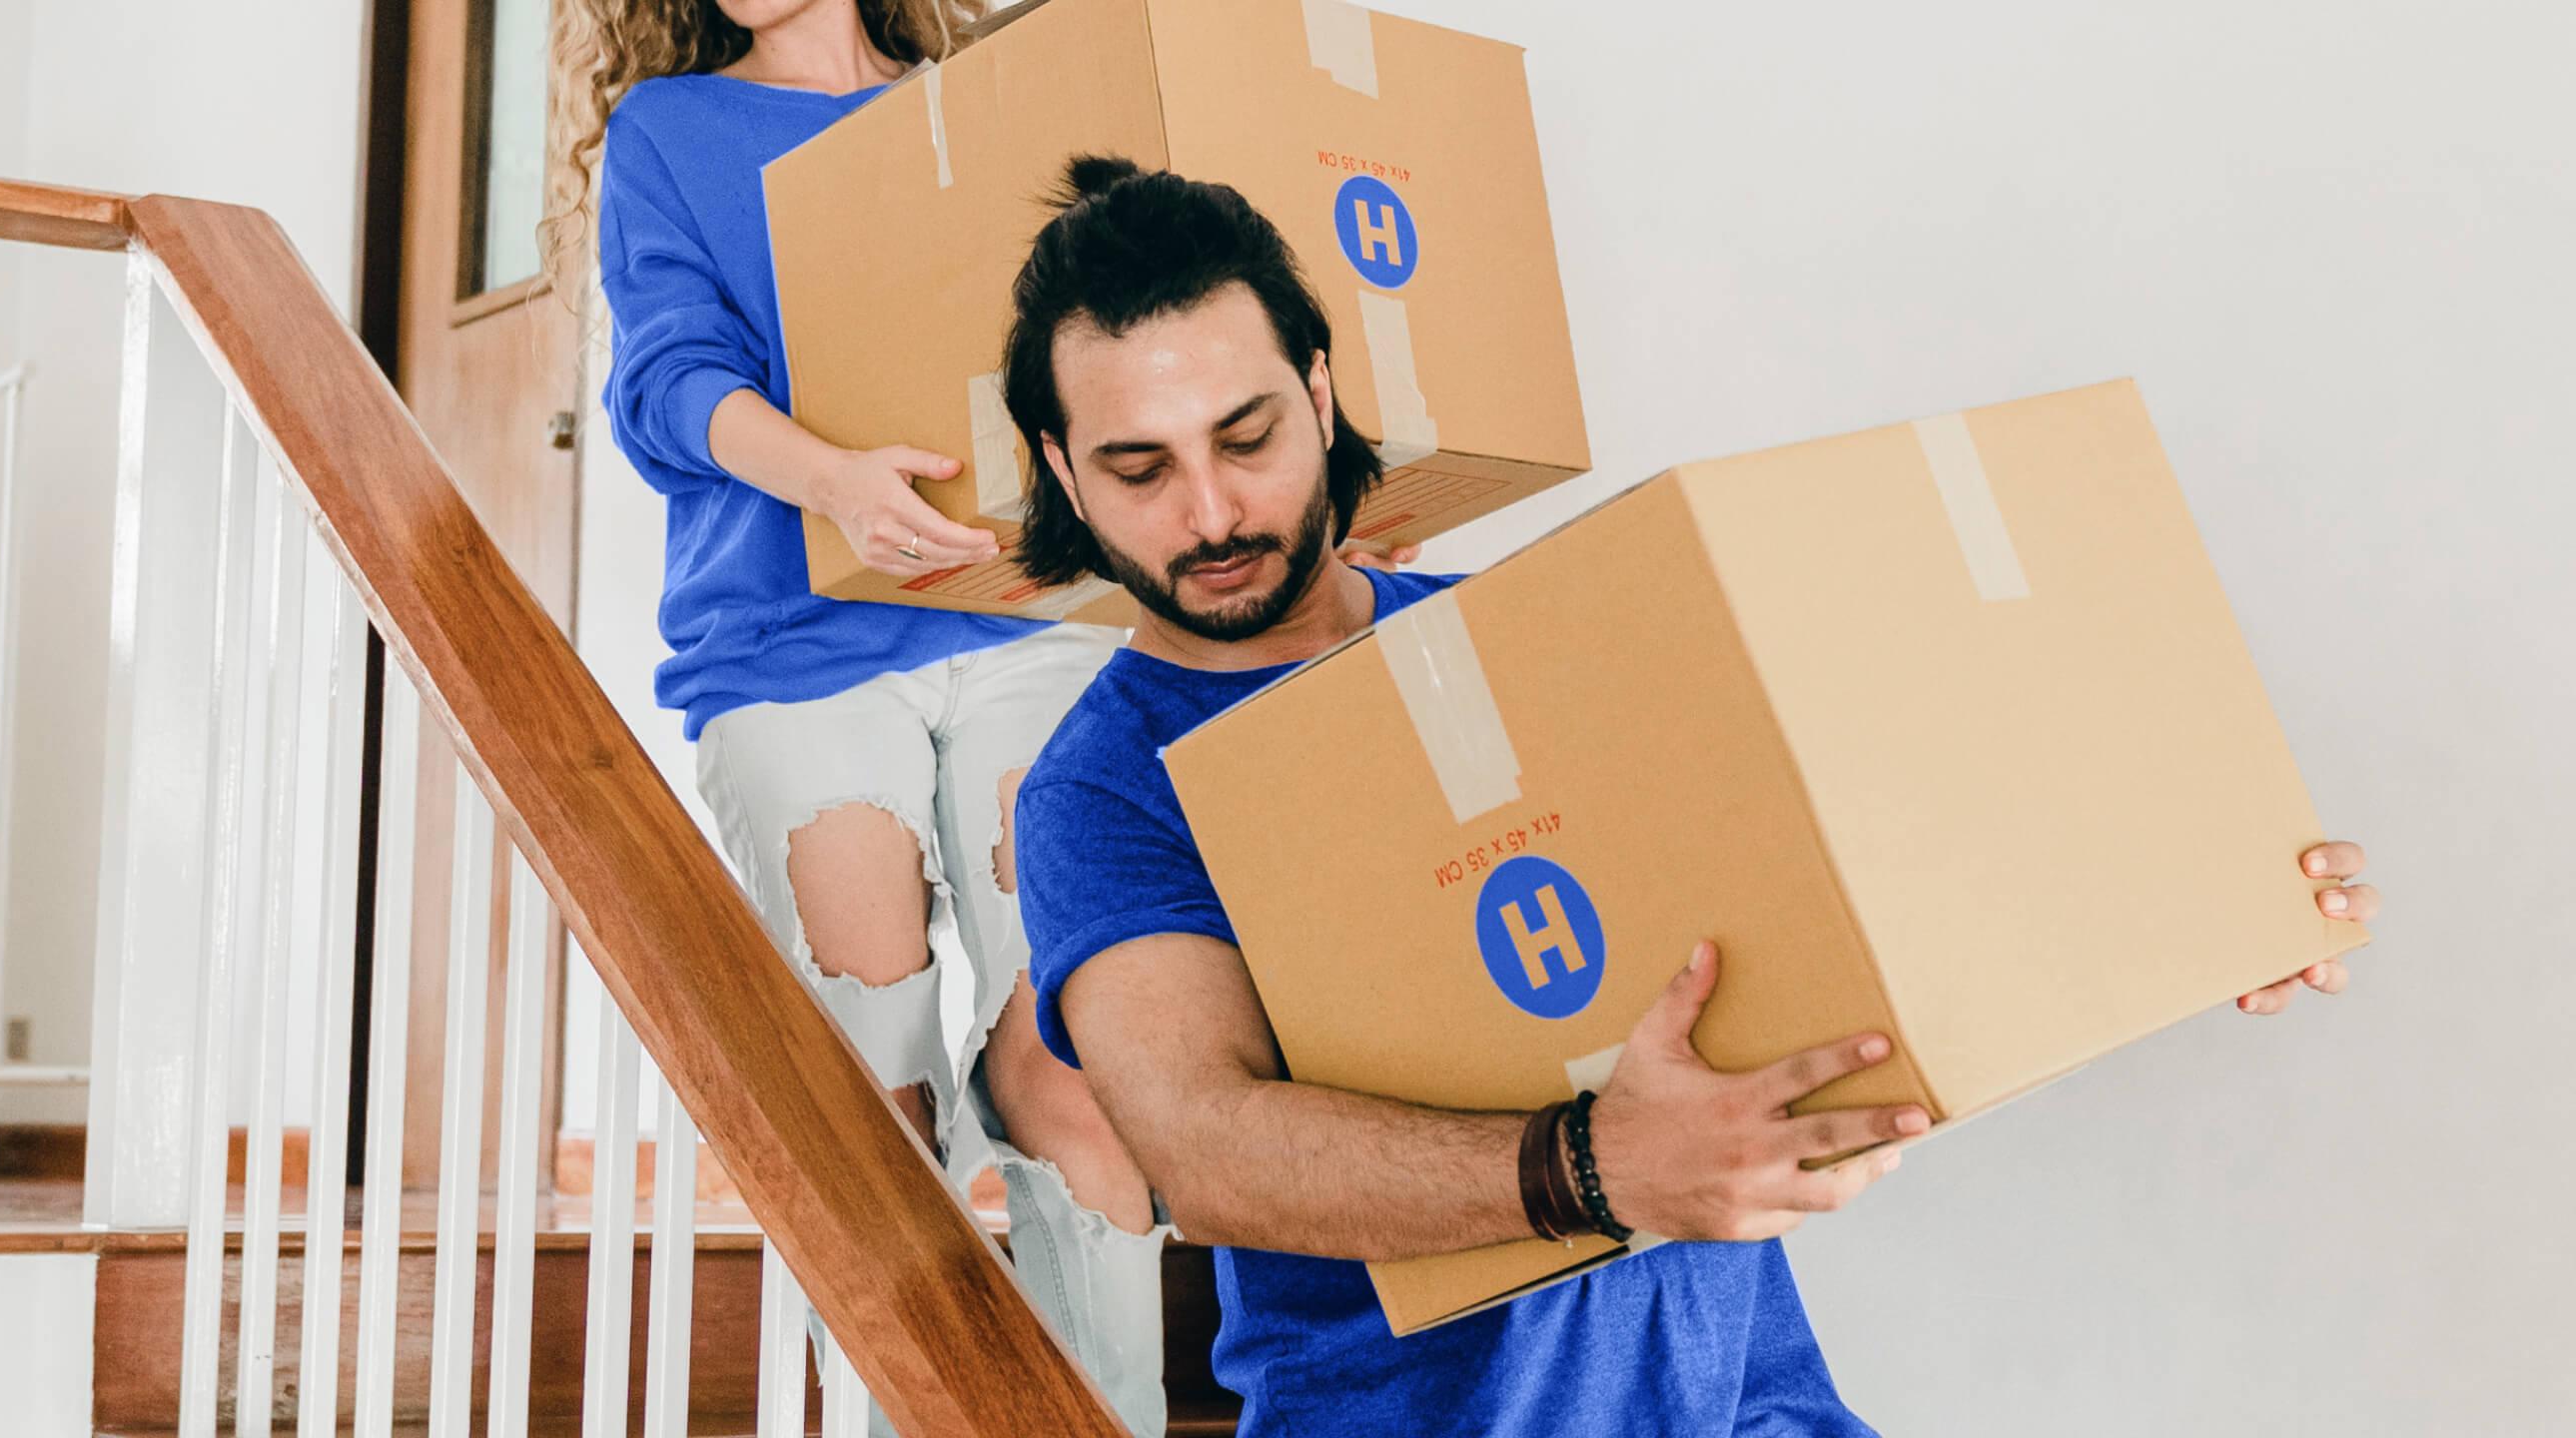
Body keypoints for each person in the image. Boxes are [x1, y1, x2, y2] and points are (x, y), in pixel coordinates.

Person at [1004, 158, 2385, 1433]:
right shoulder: (1102, 784)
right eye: (1140, 468)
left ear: (1317, 395)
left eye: (1245, 437)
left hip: (1747, 1404)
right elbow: (1207, 1150)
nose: (1210, 512)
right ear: (1065, 471)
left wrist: (2187, 901)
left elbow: (1854, 862)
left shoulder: (1523, 642)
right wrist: (1595, 1172)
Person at [547, 5, 1223, 1431]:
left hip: (1028, 625)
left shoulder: (978, 110)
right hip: (792, 645)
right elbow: (666, 383)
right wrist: (833, 483)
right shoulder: (673, 130)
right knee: (875, 1085)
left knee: (1080, 1054)